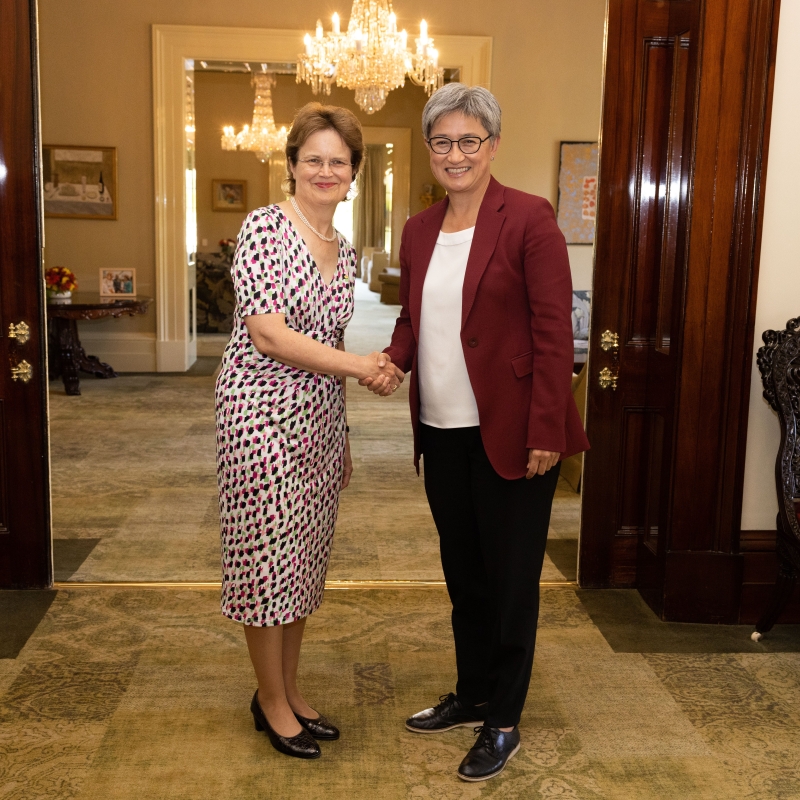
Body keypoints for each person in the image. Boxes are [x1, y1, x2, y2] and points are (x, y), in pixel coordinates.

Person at [370, 83, 590, 782]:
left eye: (470, 141)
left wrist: (548, 427)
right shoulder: (417, 230)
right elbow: (412, 321)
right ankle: (471, 693)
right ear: (429, 150)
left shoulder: (529, 219)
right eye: (443, 141)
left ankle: (503, 719)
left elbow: (556, 332)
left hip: (515, 432)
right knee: (464, 574)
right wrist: (391, 365)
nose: (456, 154)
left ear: (492, 146)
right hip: (444, 433)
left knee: (511, 581)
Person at [215, 102, 404, 761]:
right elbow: (269, 335)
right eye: (314, 159)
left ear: (353, 175)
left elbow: (331, 335)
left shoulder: (344, 250)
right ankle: (268, 701)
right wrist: (363, 369)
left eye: (339, 161)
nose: (326, 170)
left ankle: (287, 688)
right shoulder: (264, 229)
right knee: (266, 558)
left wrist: (344, 432)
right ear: (292, 166)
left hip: (321, 419)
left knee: (302, 560)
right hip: (257, 414)